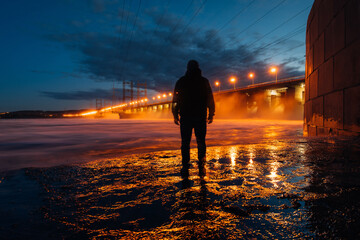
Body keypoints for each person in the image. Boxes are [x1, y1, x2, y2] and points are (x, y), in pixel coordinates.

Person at [172, 60, 215, 178]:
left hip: (185, 117)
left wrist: (175, 114)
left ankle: (185, 166)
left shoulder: (181, 81)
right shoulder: (204, 81)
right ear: (198, 68)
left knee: (185, 142)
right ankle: (201, 164)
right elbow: (210, 98)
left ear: (187, 68)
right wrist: (211, 114)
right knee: (201, 141)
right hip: (200, 116)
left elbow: (175, 101)